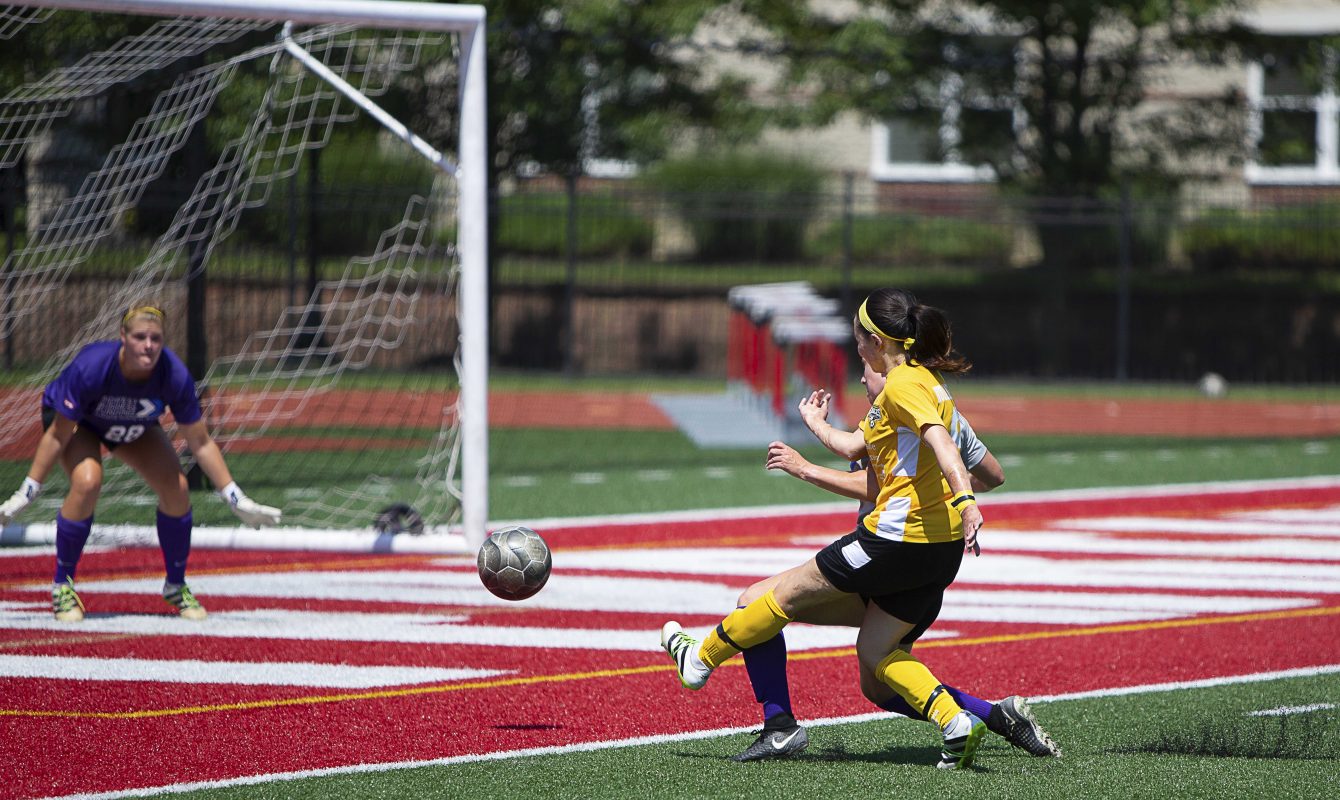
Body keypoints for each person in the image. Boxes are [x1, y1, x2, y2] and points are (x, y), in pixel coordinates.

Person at [662, 288, 996, 769]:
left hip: (894, 541)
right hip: (937, 551)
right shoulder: (916, 381)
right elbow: (853, 443)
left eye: (858, 337)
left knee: (777, 598)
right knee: (877, 653)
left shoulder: (903, 386)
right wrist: (816, 425)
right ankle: (957, 723)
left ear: (876, 342)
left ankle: (700, 660)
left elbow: (943, 444)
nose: (853, 346)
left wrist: (966, 501)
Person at [721, 360, 1058, 762]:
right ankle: (997, 717)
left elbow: (878, 488)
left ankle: (777, 724)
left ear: (894, 364)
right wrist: (949, 493)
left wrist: (805, 468)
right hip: (921, 567)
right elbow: (993, 474)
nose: (863, 377)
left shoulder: (895, 411)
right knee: (879, 685)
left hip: (885, 561)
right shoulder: (939, 409)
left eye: (869, 365)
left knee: (756, 601)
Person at [0, 305, 282, 622]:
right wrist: (28, 491)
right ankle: (62, 585)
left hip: (132, 422)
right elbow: (56, 436)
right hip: (78, 424)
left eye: (155, 338)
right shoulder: (92, 367)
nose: (148, 345)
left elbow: (200, 442)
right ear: (123, 337)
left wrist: (235, 497)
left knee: (177, 487)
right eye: (139, 337)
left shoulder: (174, 374)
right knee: (88, 481)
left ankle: (175, 585)